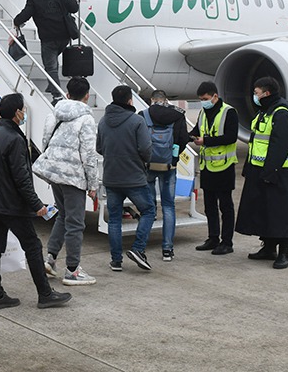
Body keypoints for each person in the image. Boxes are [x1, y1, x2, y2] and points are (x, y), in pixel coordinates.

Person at [0, 93, 71, 310]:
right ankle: (45, 294)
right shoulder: (15, 139)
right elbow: (21, 179)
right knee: (32, 245)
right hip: (11, 205)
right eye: (23, 109)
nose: (24, 113)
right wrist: (37, 205)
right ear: (16, 113)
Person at [34, 77, 99, 286]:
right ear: (87, 96)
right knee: (75, 223)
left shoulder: (53, 114)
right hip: (73, 177)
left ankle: (50, 259)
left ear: (67, 94)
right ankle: (72, 270)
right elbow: (89, 154)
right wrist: (93, 184)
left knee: (63, 216)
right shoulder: (87, 119)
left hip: (54, 173)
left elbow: (45, 141)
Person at [235, 77, 288, 270]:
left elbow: (281, 145)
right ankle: (269, 247)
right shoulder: (264, 111)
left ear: (266, 93)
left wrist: (271, 171)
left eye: (257, 92)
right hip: (259, 169)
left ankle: (284, 252)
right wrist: (250, 168)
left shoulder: (281, 113)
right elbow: (256, 142)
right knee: (263, 210)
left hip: (277, 172)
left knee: (280, 212)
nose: (254, 95)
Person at [97, 85, 155, 272]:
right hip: (134, 178)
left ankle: (116, 261)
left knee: (114, 219)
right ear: (130, 100)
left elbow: (99, 148)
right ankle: (138, 249)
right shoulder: (137, 121)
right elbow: (146, 149)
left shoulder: (104, 121)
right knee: (148, 211)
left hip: (111, 177)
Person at [138, 89, 189, 262]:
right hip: (169, 166)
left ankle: (141, 246)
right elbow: (183, 139)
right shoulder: (177, 114)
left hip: (149, 165)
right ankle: (167, 249)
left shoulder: (143, 115)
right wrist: (174, 158)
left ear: (152, 100)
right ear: (165, 100)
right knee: (168, 206)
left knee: (148, 209)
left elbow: (139, 140)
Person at [189, 81, 239, 255]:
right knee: (209, 205)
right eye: (201, 99)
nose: (203, 101)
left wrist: (206, 141)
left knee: (225, 206)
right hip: (207, 167)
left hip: (224, 166)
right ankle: (213, 238)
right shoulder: (203, 112)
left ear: (215, 96)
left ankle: (227, 242)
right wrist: (188, 136)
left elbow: (231, 137)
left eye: (205, 98)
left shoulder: (229, 112)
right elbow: (197, 130)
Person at [13, 0, 80, 101]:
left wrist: (16, 22)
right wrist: (75, 1)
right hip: (64, 37)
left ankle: (57, 95)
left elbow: (24, 16)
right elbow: (73, 8)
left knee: (51, 66)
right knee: (52, 61)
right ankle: (51, 85)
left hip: (49, 38)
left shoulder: (34, 0)